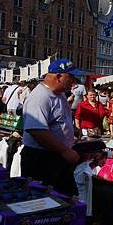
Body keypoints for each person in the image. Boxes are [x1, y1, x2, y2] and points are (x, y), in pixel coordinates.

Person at [21, 58, 83, 196]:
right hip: (41, 159)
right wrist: (65, 151)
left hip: (55, 156)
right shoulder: (40, 96)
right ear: (59, 76)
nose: (74, 82)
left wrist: (72, 129)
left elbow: (57, 118)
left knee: (64, 197)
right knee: (42, 200)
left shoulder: (58, 94)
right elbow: (37, 130)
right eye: (71, 78)